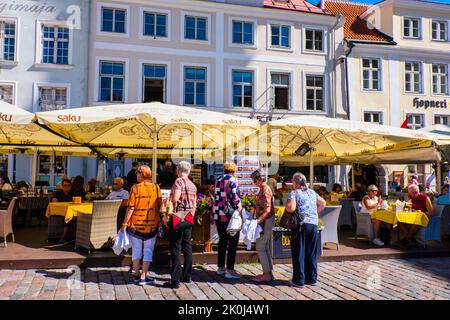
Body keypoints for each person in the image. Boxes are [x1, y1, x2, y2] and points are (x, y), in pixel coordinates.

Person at [121, 165, 162, 286]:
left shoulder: (135, 188)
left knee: (137, 249)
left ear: (143, 174)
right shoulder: (156, 188)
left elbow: (131, 207)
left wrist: (124, 223)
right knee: (148, 250)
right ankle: (144, 274)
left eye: (138, 172)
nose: (136, 174)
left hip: (136, 224)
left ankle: (137, 272)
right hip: (151, 224)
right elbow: (160, 205)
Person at [285, 173, 326, 287]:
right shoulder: (312, 192)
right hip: (313, 224)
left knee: (299, 252)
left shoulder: (294, 193)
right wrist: (314, 213)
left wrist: (286, 205)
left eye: (293, 182)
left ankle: (298, 280)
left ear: (296, 183)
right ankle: (311, 278)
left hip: (300, 225)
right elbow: (323, 203)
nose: (292, 184)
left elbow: (291, 208)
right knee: (311, 252)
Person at [163, 161, 197, 289]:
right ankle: (187, 275)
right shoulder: (192, 185)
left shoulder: (178, 182)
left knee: (176, 247)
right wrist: (191, 215)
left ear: (178, 170)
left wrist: (171, 200)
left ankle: (175, 279)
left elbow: (175, 199)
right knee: (187, 246)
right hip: (189, 217)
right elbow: (194, 204)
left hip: (179, 216)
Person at [212, 162, 242, 279]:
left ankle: (220, 268)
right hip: (229, 214)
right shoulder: (233, 180)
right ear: (233, 170)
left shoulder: (218, 179)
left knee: (222, 241)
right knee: (233, 242)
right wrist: (240, 207)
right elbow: (234, 197)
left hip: (218, 213)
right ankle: (230, 270)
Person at [250, 169, 275, 282]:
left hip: (266, 221)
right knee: (264, 247)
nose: (253, 182)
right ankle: (268, 272)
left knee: (260, 246)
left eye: (254, 180)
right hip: (266, 221)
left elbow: (268, 210)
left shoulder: (265, 190)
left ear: (259, 179)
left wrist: (258, 221)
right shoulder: (263, 189)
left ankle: (267, 274)